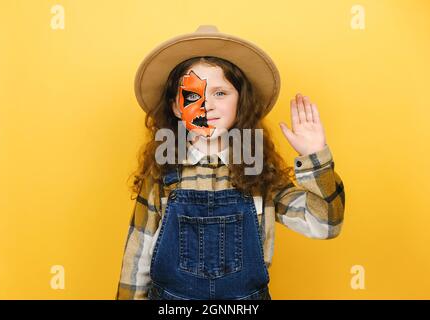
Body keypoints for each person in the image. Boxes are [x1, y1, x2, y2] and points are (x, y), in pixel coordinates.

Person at [116, 25, 345, 300]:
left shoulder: (260, 174)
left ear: (241, 102)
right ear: (177, 107)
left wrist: (315, 158)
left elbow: (326, 225)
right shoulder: (162, 176)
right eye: (192, 96)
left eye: (220, 93)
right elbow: (136, 259)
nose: (205, 106)